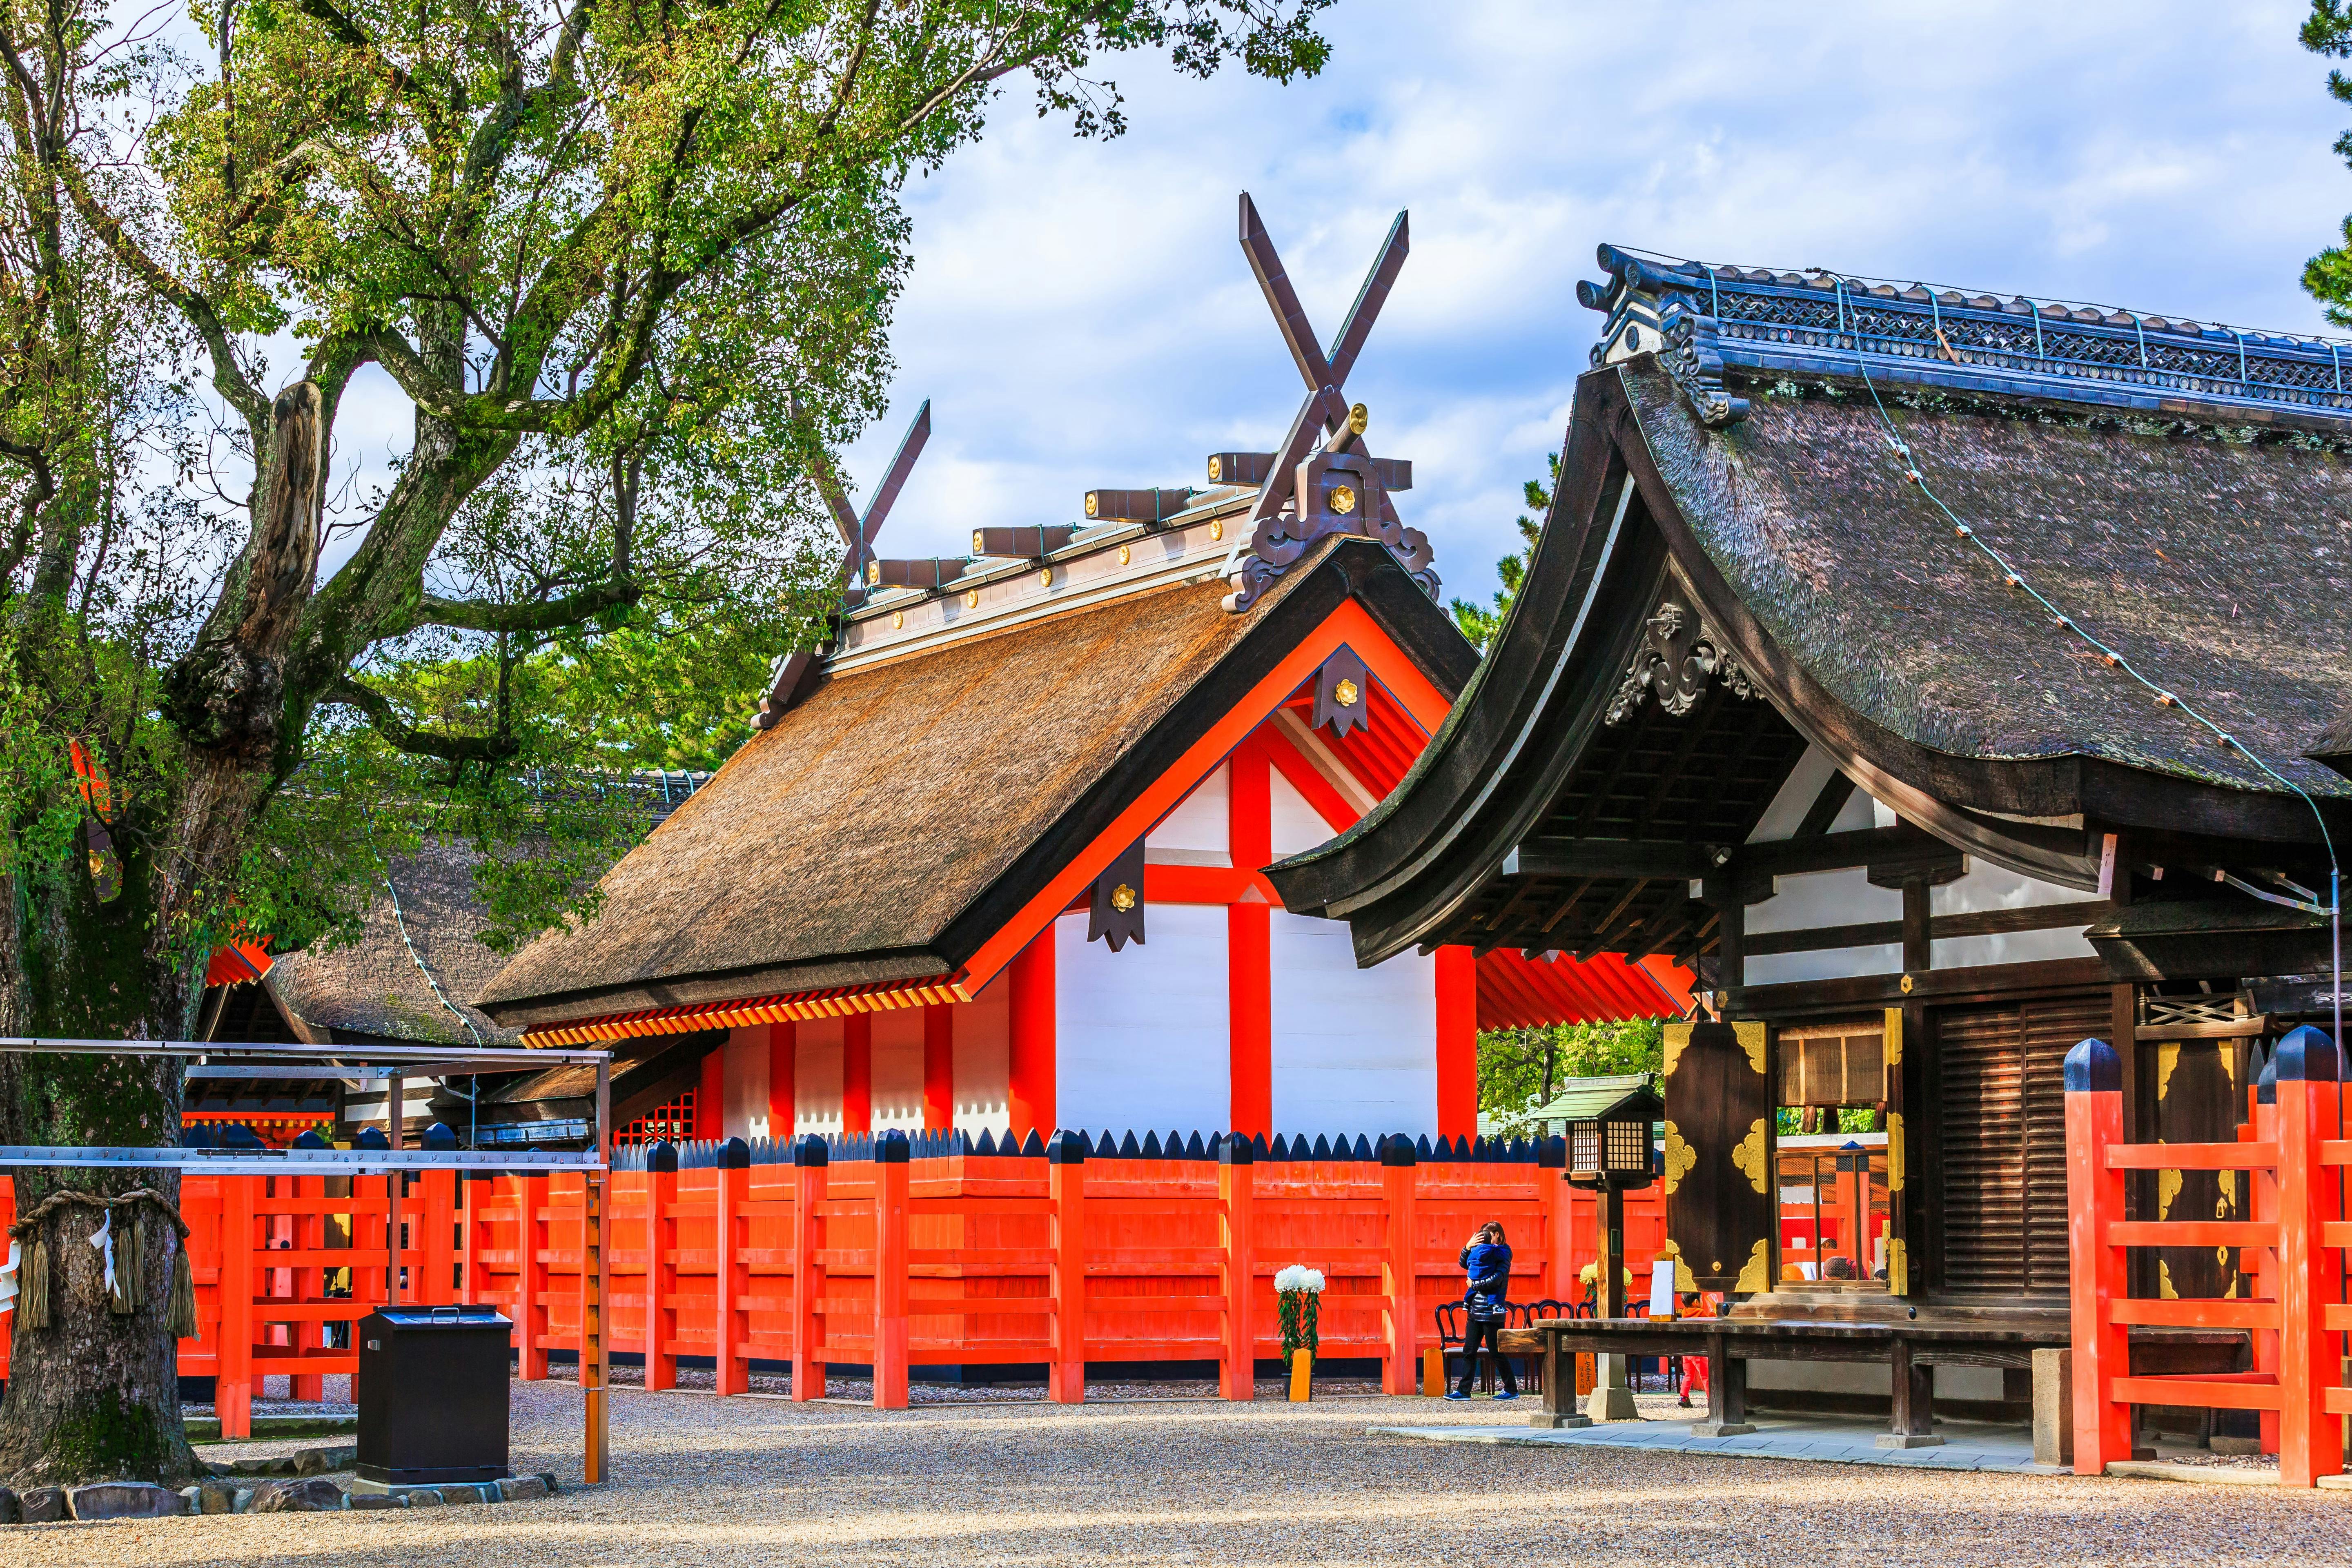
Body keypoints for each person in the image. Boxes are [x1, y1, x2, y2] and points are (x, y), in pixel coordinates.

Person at [1447, 1221, 1518, 1401]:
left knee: (1495, 1352)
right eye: (1483, 1235)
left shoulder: (1504, 1253)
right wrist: (1467, 1247)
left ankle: (1511, 1389)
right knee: (1469, 1351)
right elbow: (1465, 1264)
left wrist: (1475, 1284)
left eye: (1489, 1235)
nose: (1486, 1238)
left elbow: (1498, 1279)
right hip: (1475, 1310)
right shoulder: (1481, 1252)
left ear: (1498, 1235)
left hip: (1493, 1312)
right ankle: (1464, 1391)